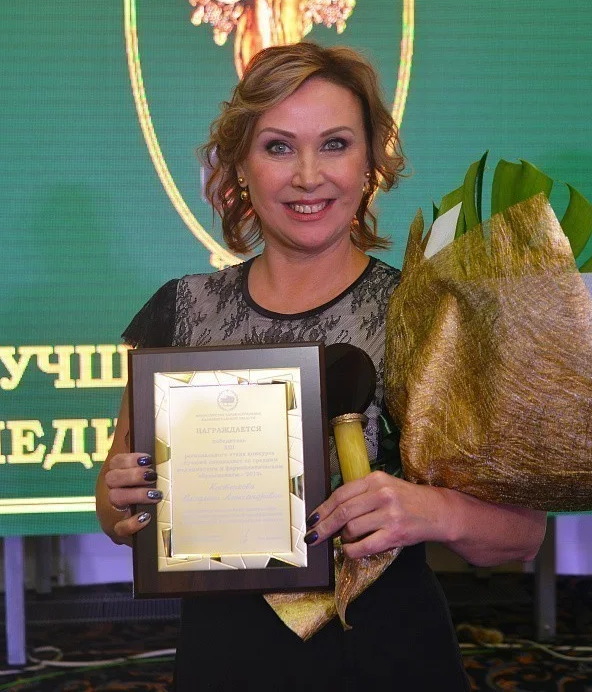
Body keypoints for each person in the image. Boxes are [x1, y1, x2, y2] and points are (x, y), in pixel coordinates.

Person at [96, 42, 546, 690]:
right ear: (241, 165)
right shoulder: (183, 310)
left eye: (335, 144)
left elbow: (520, 535)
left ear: (370, 163)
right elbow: (114, 509)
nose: (308, 176)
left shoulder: (425, 315)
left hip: (386, 658)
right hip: (224, 659)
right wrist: (121, 502)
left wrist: (429, 510)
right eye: (279, 147)